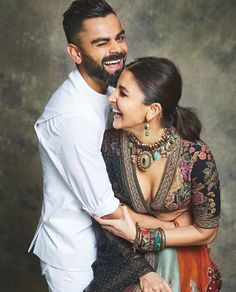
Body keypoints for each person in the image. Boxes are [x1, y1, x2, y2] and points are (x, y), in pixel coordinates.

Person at [87, 57, 222, 291]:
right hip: (123, 254)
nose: (112, 97)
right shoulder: (109, 147)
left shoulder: (195, 157)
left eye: (123, 93)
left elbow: (206, 232)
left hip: (184, 260)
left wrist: (141, 233)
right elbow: (105, 218)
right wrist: (174, 224)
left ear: (152, 111)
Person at [28, 0, 129, 291]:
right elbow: (105, 210)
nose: (116, 50)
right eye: (101, 43)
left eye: (119, 37)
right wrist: (172, 230)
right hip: (75, 257)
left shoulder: (111, 90)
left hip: (109, 249)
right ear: (75, 52)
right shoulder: (71, 118)